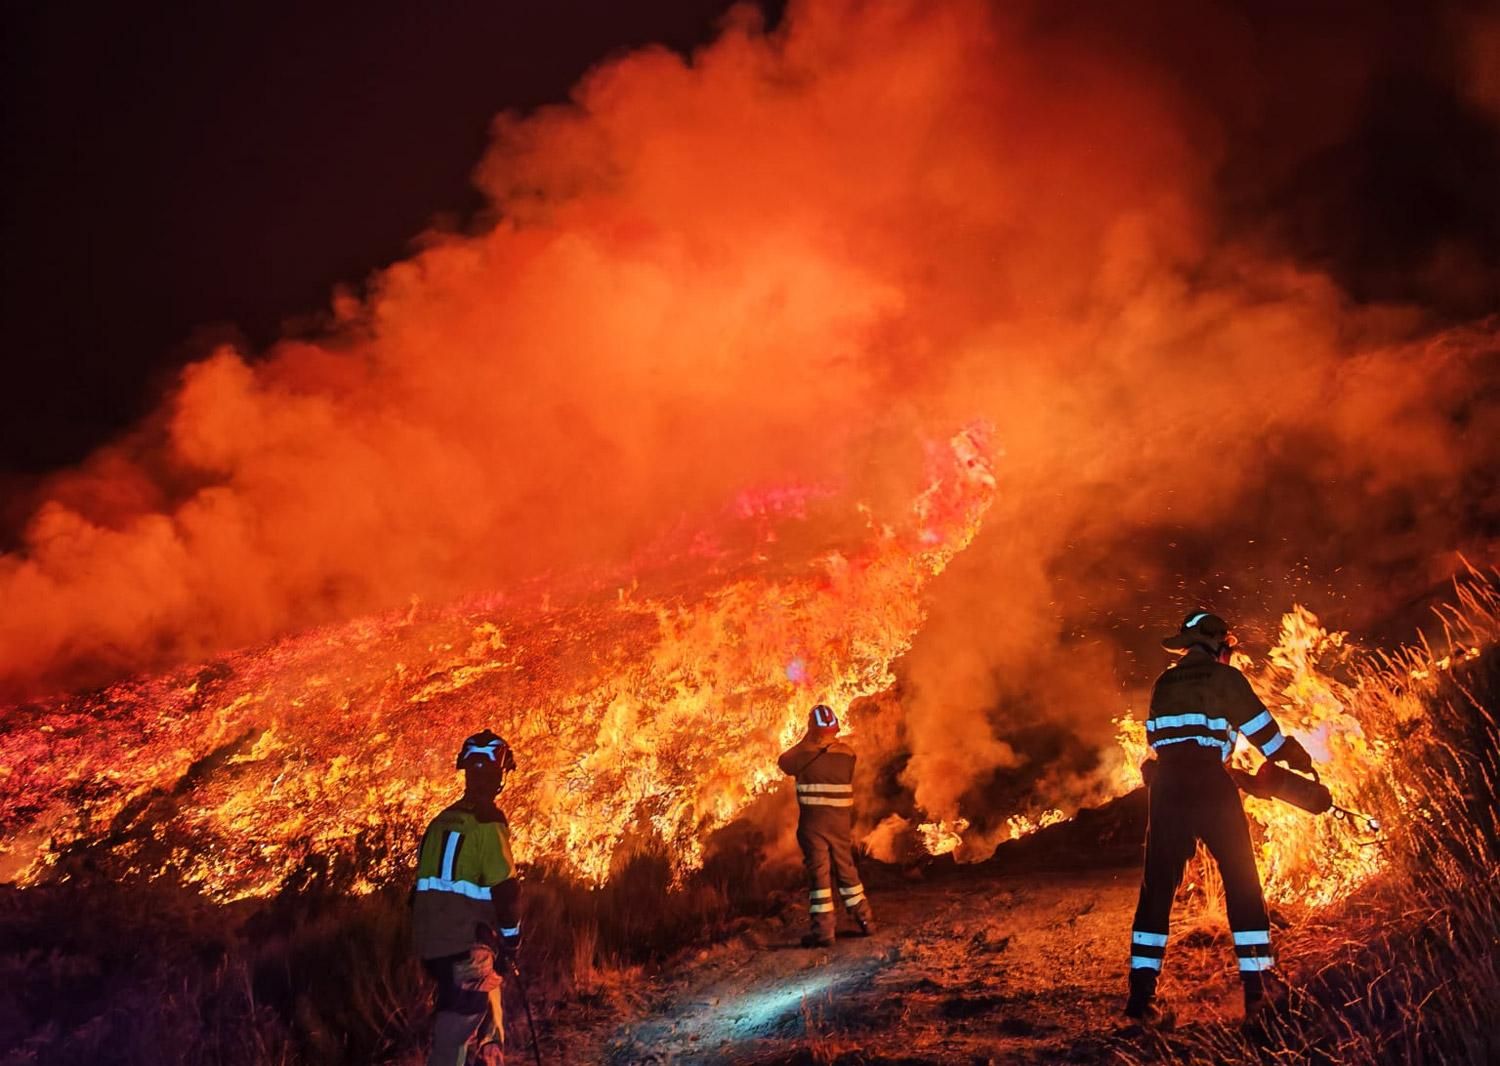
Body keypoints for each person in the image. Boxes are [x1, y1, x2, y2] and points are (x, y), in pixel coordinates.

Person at [1126, 612, 1315, 1026]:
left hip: (1168, 788)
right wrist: (1295, 759)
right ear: (1217, 644)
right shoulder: (1223, 679)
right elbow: (1264, 734)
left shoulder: (1164, 683)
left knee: (1157, 887)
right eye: (1227, 646)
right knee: (1243, 882)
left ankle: (1141, 998)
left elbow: (1158, 742)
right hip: (1211, 784)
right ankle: (1258, 994)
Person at [413, 730, 523, 1066]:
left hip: (431, 946)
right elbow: (506, 892)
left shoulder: (439, 821)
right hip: (465, 946)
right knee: (456, 1033)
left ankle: (489, 1050)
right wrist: (513, 943)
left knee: (480, 997)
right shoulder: (489, 822)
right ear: (498, 775)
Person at [778, 703, 875, 947]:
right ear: (836, 728)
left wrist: (806, 739)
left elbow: (783, 762)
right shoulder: (848, 755)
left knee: (819, 876)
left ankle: (824, 932)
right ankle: (865, 919)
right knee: (846, 869)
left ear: (812, 729)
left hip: (813, 825)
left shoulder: (802, 756)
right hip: (841, 822)